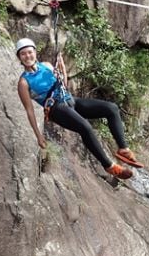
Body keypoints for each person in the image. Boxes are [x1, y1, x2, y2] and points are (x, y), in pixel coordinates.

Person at [16, 38, 142, 179]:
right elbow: (29, 110)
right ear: (19, 58)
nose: (27, 56)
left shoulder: (47, 66)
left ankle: (123, 149)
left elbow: (63, 84)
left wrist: (62, 70)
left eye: (29, 52)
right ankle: (109, 166)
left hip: (70, 100)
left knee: (111, 108)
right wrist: (38, 135)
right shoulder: (24, 82)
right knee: (85, 127)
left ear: (35, 52)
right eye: (23, 54)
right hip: (56, 109)